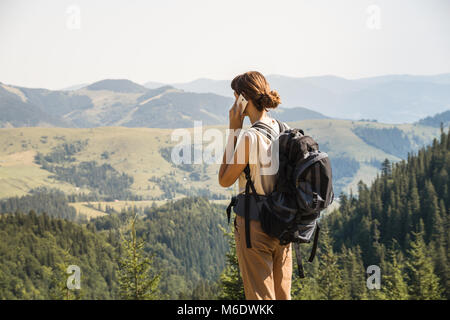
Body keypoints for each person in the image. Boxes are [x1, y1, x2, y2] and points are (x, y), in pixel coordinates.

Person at [218, 71, 292, 300]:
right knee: (282, 296)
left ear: (243, 99)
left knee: (260, 299)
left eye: (235, 97)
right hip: (284, 224)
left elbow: (224, 179)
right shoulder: (284, 128)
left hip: (255, 227)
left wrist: (233, 128)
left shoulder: (250, 138)